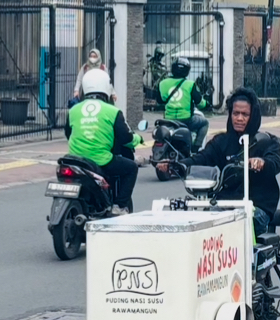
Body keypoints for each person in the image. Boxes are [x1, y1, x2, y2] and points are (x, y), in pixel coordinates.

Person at [161, 87, 280, 237]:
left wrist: (262, 162)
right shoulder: (221, 141)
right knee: (204, 225)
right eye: (236, 113)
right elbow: (202, 158)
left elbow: (275, 162)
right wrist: (177, 165)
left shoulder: (266, 141)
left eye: (245, 114)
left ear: (253, 116)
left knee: (237, 224)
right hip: (225, 204)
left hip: (257, 206)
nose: (239, 118)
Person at [64, 69, 140, 214]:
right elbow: (125, 137)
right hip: (101, 161)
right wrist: (138, 139)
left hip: (75, 160)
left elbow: (68, 133)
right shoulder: (112, 111)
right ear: (106, 87)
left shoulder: (73, 110)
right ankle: (120, 206)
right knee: (131, 168)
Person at [157, 57, 210, 151]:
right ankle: (195, 149)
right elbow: (199, 102)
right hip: (186, 120)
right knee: (204, 123)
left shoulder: (163, 83)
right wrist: (207, 105)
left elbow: (160, 100)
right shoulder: (190, 84)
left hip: (168, 120)